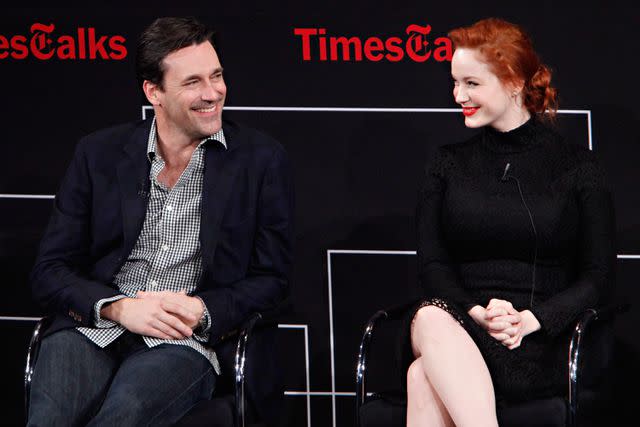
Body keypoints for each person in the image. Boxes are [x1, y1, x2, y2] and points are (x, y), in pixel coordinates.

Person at [27, 16, 294, 426]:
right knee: (50, 418)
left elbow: (272, 279)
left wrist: (201, 309)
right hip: (96, 326)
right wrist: (116, 308)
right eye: (193, 83)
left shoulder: (260, 160)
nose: (213, 94)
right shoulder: (97, 153)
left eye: (217, 76)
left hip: (183, 341)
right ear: (155, 92)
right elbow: (49, 271)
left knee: (125, 415)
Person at [402, 18, 615, 427]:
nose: (457, 95)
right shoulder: (446, 163)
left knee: (421, 376)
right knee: (430, 317)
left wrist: (530, 321)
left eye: (471, 83)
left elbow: (599, 276)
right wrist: (478, 312)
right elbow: (433, 265)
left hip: (539, 341)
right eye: (454, 82)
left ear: (514, 82)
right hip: (460, 322)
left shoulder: (578, 167)